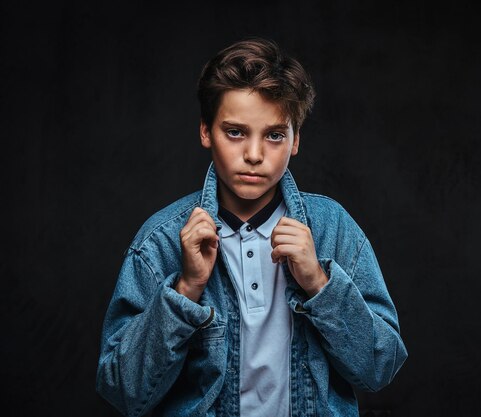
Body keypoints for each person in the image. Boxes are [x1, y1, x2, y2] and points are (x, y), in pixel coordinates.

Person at [96, 38, 407, 417]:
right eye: (235, 132)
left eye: (274, 135)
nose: (255, 155)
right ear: (206, 133)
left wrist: (319, 284)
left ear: (295, 141)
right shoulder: (160, 241)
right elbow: (121, 391)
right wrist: (185, 290)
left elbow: (380, 367)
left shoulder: (333, 229)